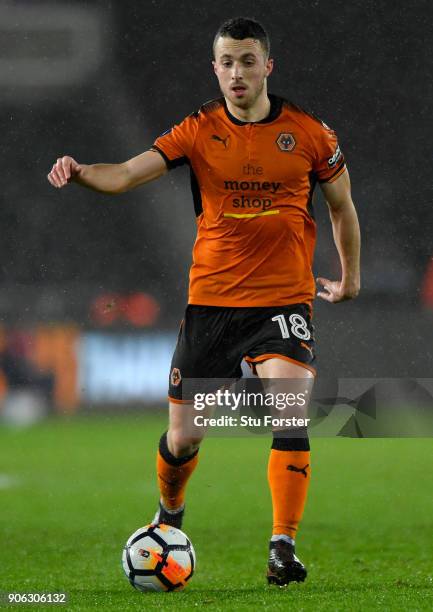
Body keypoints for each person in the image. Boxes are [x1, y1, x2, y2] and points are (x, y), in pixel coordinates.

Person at [47, 17, 361, 586]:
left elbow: (341, 206)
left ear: (268, 66)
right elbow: (123, 174)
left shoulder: (311, 134)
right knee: (184, 437)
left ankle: (282, 548)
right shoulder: (197, 130)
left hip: (283, 302)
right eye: (226, 62)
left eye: (247, 60)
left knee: (290, 410)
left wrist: (349, 277)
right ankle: (170, 515)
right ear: (214, 69)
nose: (237, 72)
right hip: (212, 303)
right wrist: (80, 172)